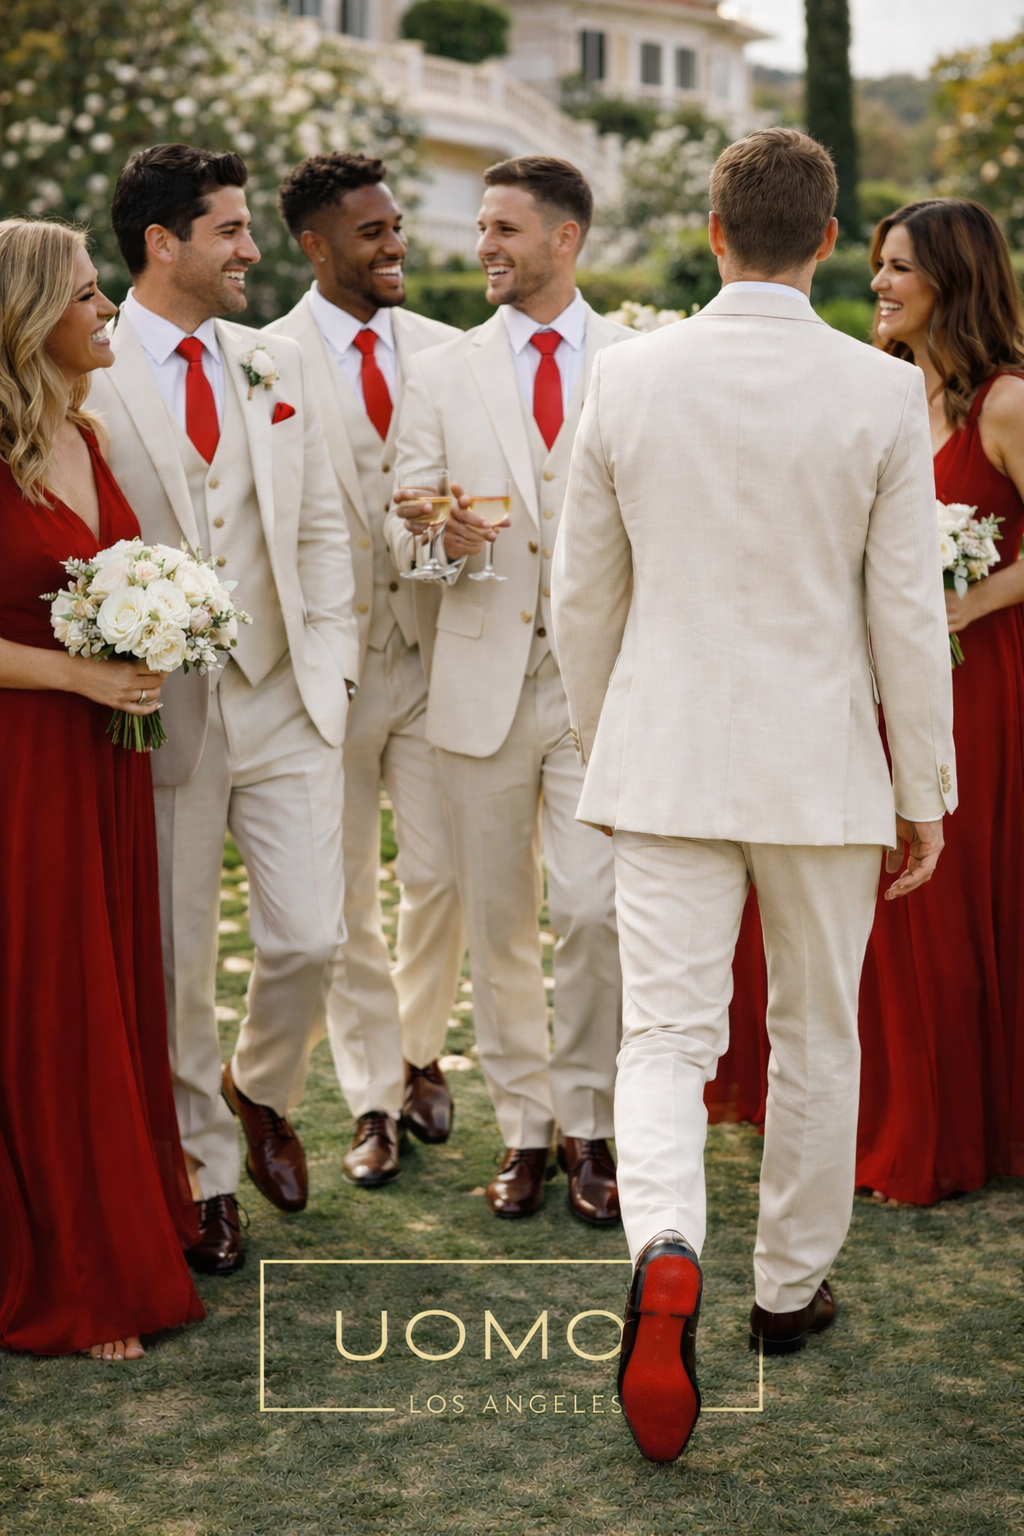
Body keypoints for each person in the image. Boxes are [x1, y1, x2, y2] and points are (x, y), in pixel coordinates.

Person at [552, 129, 955, 1463]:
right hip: (821, 767)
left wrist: (610, 739)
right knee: (816, 1033)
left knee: (665, 1039)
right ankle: (786, 1292)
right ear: (829, 241)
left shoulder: (626, 375)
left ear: (715, 233)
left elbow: (580, 594)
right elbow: (906, 612)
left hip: (665, 759)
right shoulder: (880, 392)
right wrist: (924, 785)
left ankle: (667, 1241)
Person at [717, 199, 1024, 1206]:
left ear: (953, 280)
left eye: (899, 267)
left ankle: (940, 1126)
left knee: (938, 904)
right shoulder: (874, 387)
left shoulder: (1006, 404)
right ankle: (857, 1113)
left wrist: (969, 601)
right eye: (878, 264)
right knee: (859, 900)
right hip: (860, 682)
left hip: (974, 685)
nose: (878, 283)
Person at [89, 145, 360, 1274]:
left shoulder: (273, 360)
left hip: (287, 695)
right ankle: (204, 1176)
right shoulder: (87, 366)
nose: (255, 249)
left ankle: (261, 1086)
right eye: (232, 231)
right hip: (160, 712)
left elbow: (322, 524)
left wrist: (334, 663)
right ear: (164, 244)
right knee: (177, 956)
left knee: (312, 936)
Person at [387, 156, 630, 1223]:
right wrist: (438, 540)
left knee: (593, 912)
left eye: (503, 228)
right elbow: (403, 538)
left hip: (599, 691)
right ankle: (526, 1131)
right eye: (482, 226)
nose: (482, 244)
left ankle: (592, 1127)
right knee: (498, 928)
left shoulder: (635, 363)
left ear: (564, 239)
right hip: (479, 684)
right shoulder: (442, 371)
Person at [0, 218, 204, 1360]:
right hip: (21, 765)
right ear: (33, 317)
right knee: (47, 997)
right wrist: (78, 672)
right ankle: (69, 1267)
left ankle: (123, 1225)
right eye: (86, 294)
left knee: (110, 983)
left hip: (101, 761)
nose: (107, 308)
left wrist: (153, 635)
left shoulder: (86, 434)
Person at [268, 153, 464, 1187]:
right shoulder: (266, 360)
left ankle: (421, 1047)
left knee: (442, 876)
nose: (396, 245)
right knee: (344, 895)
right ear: (315, 246)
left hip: (433, 657)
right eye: (371, 232)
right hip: (324, 671)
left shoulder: (447, 351)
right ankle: (374, 1099)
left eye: (396, 225)